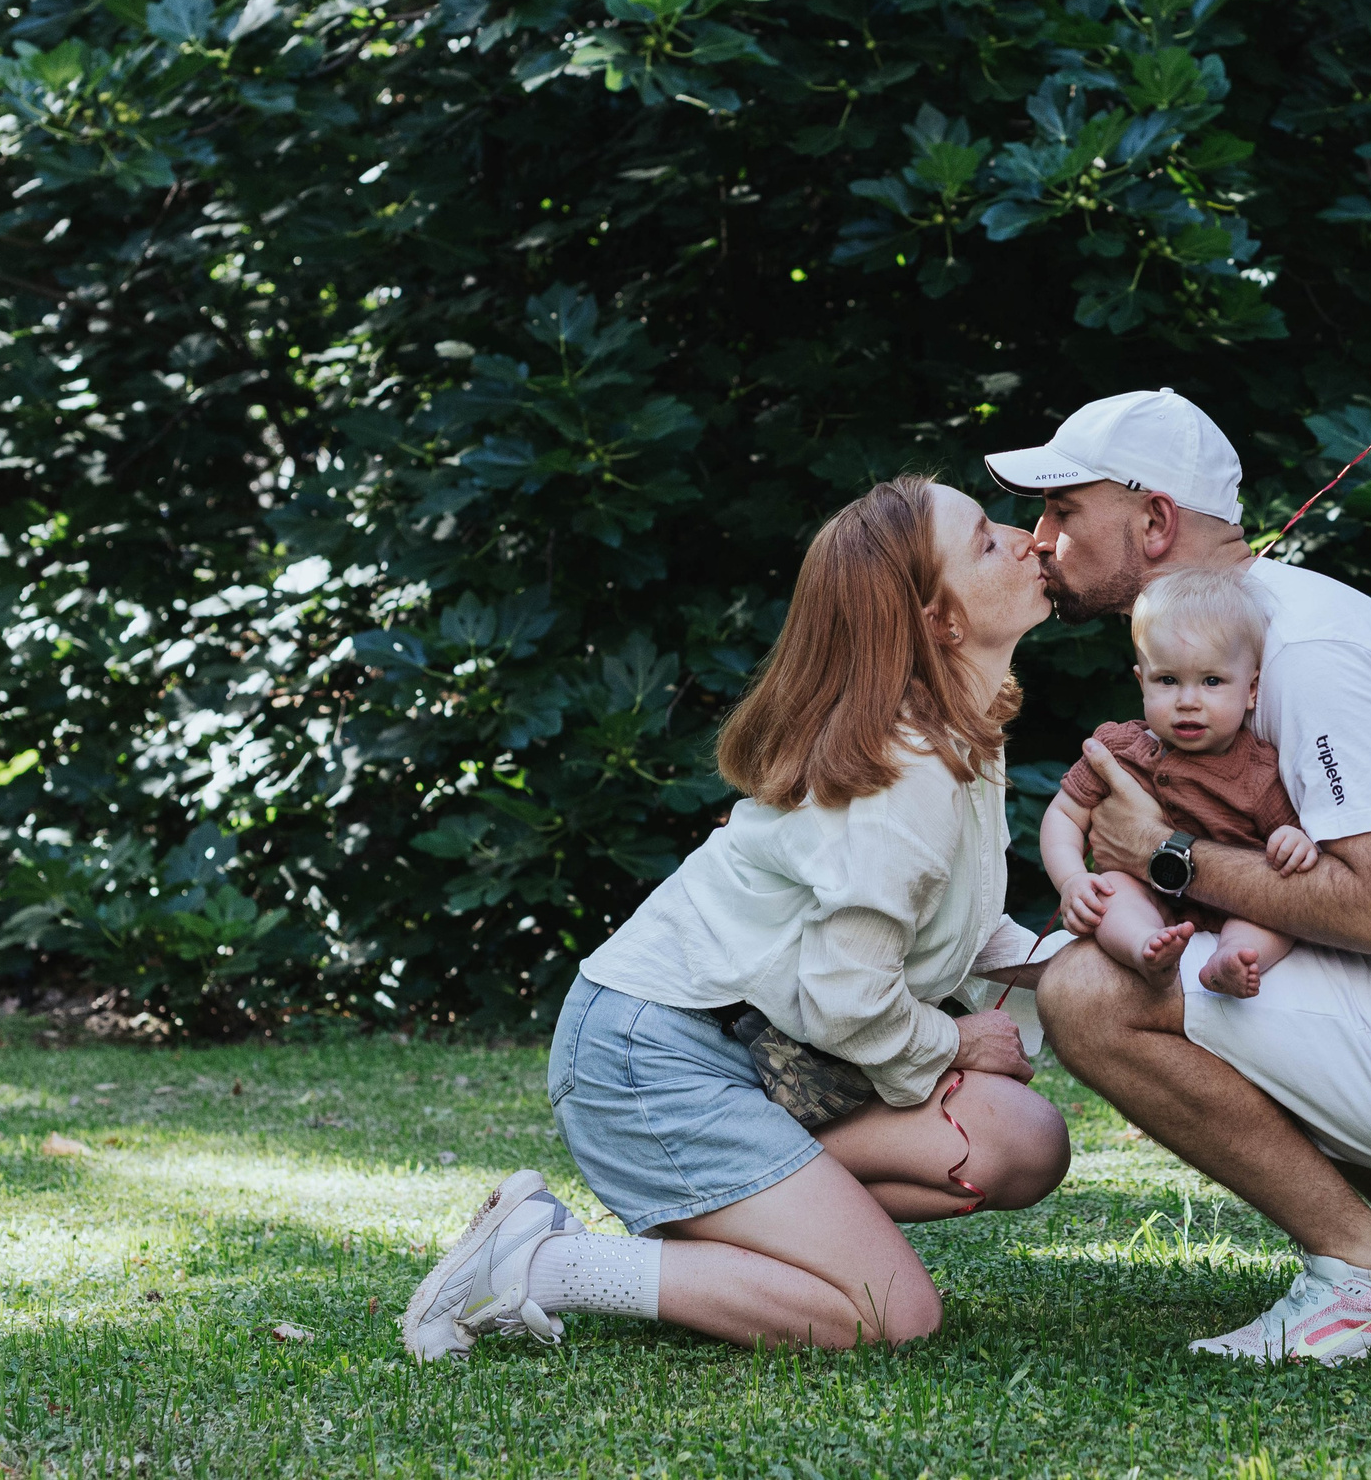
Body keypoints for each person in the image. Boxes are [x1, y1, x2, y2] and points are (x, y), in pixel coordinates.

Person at [989, 388, 1371, 1365]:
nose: (1039, 538)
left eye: (1064, 509)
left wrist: (1163, 853)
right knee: (1190, 960)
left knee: (1090, 991)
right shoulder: (1239, 636)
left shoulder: (1305, 651)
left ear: (1155, 521)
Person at [399, 476, 1074, 1360]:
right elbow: (845, 998)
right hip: (646, 1058)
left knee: (1022, 1140)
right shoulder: (905, 773)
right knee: (889, 1314)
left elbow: (942, 918)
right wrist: (957, 1042)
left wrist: (1082, 959)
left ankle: (745, 1222)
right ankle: (547, 1262)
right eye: (986, 540)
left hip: (746, 1054)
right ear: (937, 621)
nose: (1029, 538)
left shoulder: (951, 734)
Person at [1040, 566, 1321, 998]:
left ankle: (1233, 959)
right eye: (1167, 680)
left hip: (1236, 904)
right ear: (1142, 682)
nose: (1188, 701)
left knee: (1276, 915)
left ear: (1251, 690)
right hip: (1147, 896)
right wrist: (1072, 879)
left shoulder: (1259, 771)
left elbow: (1299, 836)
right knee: (1114, 894)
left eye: (1212, 681)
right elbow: (1063, 814)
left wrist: (1295, 840)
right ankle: (1145, 948)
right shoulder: (1120, 749)